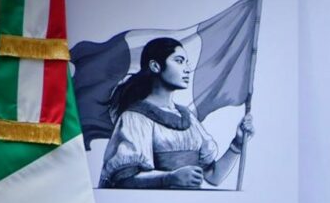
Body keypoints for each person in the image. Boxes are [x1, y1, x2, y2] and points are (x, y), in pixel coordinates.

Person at [98, 37, 254, 188]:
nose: (187, 69)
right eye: (179, 61)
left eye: (186, 62)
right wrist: (169, 178)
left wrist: (237, 143)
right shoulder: (134, 118)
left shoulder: (188, 119)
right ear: (155, 66)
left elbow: (214, 176)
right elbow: (124, 180)